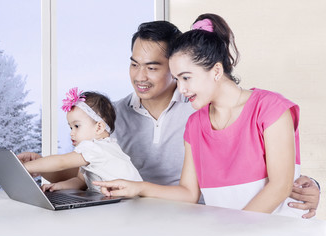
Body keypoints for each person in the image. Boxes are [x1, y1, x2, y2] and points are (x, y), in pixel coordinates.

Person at [18, 20, 320, 218]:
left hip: (238, 226)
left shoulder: (253, 107)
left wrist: (311, 184)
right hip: (151, 220)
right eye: (134, 64)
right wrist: (135, 187)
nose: (140, 76)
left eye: (154, 68)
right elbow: (86, 171)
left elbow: (277, 182)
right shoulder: (120, 116)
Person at [23, 88, 142, 193]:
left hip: (129, 202)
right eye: (70, 127)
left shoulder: (93, 147)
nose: (71, 132)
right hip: (124, 201)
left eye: (77, 126)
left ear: (99, 127)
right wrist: (58, 186)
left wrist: (26, 167)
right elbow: (81, 181)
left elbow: (61, 162)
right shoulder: (103, 148)